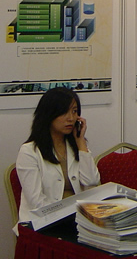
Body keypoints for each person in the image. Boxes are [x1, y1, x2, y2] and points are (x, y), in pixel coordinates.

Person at [15, 87, 100, 229]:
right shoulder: (29, 152)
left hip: (77, 219)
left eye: (74, 111)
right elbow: (36, 202)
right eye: (64, 112)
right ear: (49, 114)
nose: (71, 118)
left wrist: (81, 143)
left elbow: (92, 182)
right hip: (43, 223)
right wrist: (67, 216)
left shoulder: (76, 147)